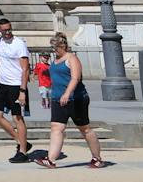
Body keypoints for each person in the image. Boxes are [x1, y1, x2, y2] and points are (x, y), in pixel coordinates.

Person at [40, 33, 106, 169]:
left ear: (62, 45)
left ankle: (97, 158)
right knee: (56, 127)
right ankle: (50, 159)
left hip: (76, 99)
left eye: (55, 47)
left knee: (85, 129)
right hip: (57, 98)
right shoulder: (55, 61)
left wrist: (67, 93)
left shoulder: (72, 58)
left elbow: (75, 78)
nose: (54, 50)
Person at [0, 17, 32, 163]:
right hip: (3, 83)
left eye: (9, 29)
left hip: (16, 84)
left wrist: (22, 91)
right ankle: (20, 141)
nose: (8, 33)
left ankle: (23, 152)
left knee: (17, 117)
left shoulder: (19, 43)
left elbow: (25, 69)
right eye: (4, 30)